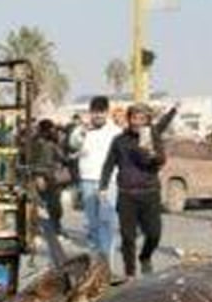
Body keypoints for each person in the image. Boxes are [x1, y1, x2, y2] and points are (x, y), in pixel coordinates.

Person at [100, 104, 173, 279]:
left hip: (150, 193)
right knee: (128, 237)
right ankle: (130, 274)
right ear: (129, 119)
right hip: (127, 194)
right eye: (134, 118)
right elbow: (109, 163)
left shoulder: (152, 137)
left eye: (142, 119)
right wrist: (102, 186)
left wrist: (152, 155)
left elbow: (161, 161)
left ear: (147, 120)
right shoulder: (119, 140)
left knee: (154, 234)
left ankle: (145, 256)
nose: (137, 123)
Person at [68, 96, 121, 268]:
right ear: (90, 113)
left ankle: (107, 265)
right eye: (95, 112)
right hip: (87, 180)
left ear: (106, 112)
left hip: (108, 182)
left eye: (101, 112)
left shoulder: (115, 132)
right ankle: (95, 264)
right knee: (92, 224)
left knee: (106, 222)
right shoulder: (82, 131)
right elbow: (72, 145)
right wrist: (82, 131)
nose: (97, 116)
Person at [29, 119, 69, 246]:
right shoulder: (48, 143)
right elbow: (62, 157)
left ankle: (38, 232)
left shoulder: (34, 142)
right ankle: (55, 230)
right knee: (53, 206)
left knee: (39, 206)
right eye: (52, 129)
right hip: (48, 177)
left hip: (39, 176)